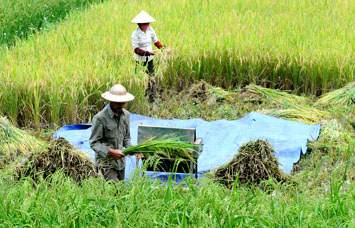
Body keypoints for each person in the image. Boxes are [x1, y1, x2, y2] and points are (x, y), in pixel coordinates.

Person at [89, 84, 137, 182]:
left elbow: (126, 138)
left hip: (120, 163)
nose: (120, 105)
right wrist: (111, 152)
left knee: (120, 192)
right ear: (111, 101)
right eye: (117, 102)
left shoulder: (126, 115)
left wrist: (133, 149)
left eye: (123, 102)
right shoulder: (100, 118)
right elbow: (94, 143)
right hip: (106, 164)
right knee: (114, 190)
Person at [131, 10, 165, 102]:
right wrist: (147, 53)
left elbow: (156, 42)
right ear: (139, 24)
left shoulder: (150, 30)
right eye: (144, 24)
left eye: (147, 23)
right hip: (140, 60)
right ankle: (141, 97)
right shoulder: (135, 34)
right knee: (141, 79)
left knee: (152, 78)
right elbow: (136, 49)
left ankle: (152, 98)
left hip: (149, 60)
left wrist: (163, 48)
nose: (147, 25)